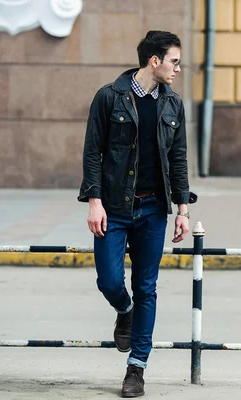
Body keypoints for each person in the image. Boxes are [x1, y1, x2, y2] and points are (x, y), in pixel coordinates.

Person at [77, 30, 197, 398]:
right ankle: (123, 309)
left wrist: (182, 209)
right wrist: (94, 201)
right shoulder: (109, 97)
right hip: (113, 208)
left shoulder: (173, 105)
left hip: (152, 210)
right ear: (154, 60)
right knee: (110, 281)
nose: (179, 67)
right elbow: (92, 152)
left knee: (147, 287)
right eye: (174, 60)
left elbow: (177, 160)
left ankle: (136, 370)